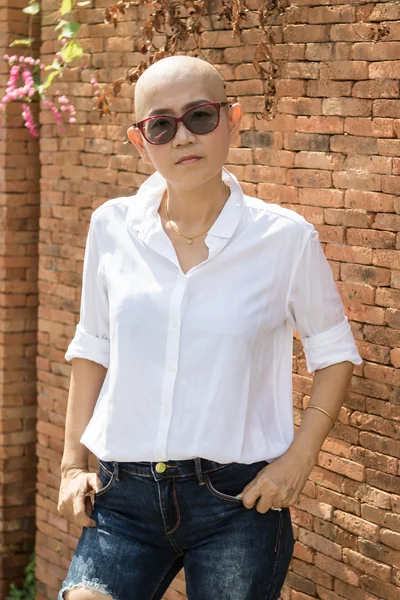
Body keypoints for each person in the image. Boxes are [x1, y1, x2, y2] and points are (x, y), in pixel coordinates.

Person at [57, 55, 362, 600]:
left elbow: (333, 351)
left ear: (233, 119)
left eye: (200, 116)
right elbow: (93, 346)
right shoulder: (111, 226)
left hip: (236, 503)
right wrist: (70, 464)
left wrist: (300, 458)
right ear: (140, 140)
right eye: (160, 124)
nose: (182, 137)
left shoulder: (285, 239)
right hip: (122, 496)